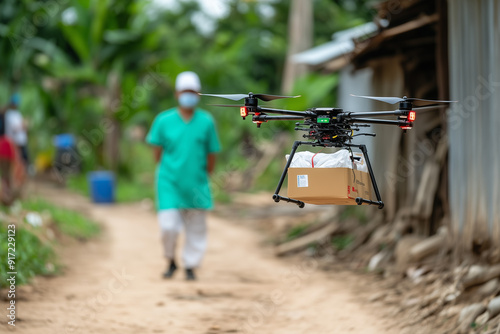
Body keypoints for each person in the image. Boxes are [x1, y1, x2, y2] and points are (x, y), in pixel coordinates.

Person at [146, 71, 220, 281]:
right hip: (169, 182)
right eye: (185, 91)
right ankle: (170, 260)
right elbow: (157, 153)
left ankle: (190, 265)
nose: (189, 95)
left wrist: (206, 176)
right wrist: (170, 170)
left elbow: (212, 152)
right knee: (168, 226)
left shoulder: (206, 121)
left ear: (198, 94)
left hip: (197, 182)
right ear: (177, 93)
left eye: (192, 92)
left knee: (197, 228)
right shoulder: (163, 120)